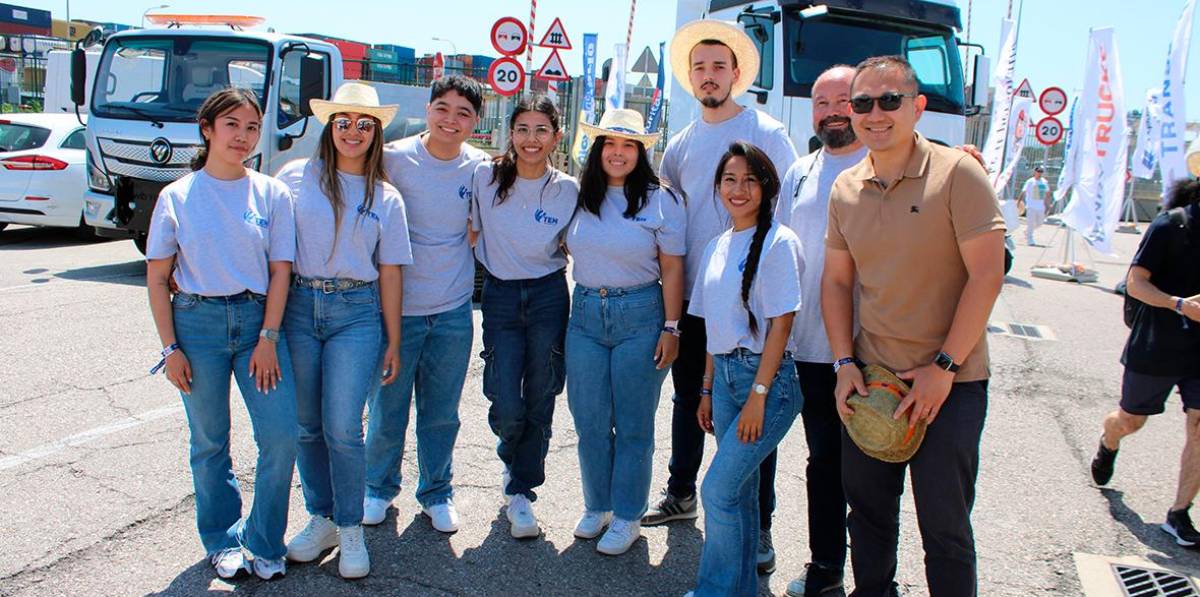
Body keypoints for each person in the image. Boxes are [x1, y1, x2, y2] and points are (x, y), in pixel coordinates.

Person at [822, 56, 1005, 596]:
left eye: (889, 100)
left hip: (951, 384)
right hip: (872, 380)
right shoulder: (845, 188)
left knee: (945, 529)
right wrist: (843, 364)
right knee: (869, 520)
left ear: (917, 107)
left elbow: (988, 275)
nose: (875, 113)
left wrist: (944, 368)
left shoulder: (958, 174)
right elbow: (836, 284)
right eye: (862, 103)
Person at [647, 19, 799, 575]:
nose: (709, 76)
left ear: (737, 74)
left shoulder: (768, 131)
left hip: (752, 309)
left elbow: (784, 209)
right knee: (692, 402)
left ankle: (759, 533)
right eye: (700, 68)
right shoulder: (682, 142)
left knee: (755, 424)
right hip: (694, 300)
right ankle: (682, 494)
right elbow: (666, 214)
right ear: (690, 78)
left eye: (719, 67)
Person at [144, 88, 298, 581]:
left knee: (280, 435)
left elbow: (281, 271)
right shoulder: (179, 196)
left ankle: (265, 541)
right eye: (232, 124)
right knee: (210, 440)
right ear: (207, 129)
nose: (243, 136)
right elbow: (156, 275)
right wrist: (171, 348)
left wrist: (269, 337)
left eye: (252, 127)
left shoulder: (271, 192)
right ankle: (221, 538)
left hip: (258, 324)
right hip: (197, 324)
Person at [276, 82, 412, 579]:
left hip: (357, 311)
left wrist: (393, 338)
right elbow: (270, 251)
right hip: (298, 306)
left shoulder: (387, 196)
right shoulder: (295, 177)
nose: (352, 132)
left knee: (342, 427)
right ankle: (323, 517)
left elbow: (392, 270)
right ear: (328, 127)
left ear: (376, 132)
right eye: (343, 122)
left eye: (363, 124)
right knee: (306, 425)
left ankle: (352, 527)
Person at [364, 75, 490, 533]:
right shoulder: (394, 160)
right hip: (396, 312)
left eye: (463, 113)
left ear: (476, 122)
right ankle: (377, 489)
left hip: (454, 310)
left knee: (441, 414)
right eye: (443, 108)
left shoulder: (479, 168)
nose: (450, 120)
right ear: (429, 108)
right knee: (387, 410)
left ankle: (437, 492)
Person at [564, 108, 686, 555]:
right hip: (585, 315)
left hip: (641, 313)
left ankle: (629, 515)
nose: (618, 153)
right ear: (597, 150)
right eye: (610, 144)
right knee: (590, 419)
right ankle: (599, 506)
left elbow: (673, 268)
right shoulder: (578, 195)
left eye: (628, 145)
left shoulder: (662, 200)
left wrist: (672, 327)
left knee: (633, 424)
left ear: (641, 152)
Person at [686, 141, 804, 597]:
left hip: (767, 383)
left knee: (716, 491)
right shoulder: (717, 245)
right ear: (718, 187)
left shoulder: (779, 242)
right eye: (730, 179)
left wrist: (758, 394)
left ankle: (715, 591)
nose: (739, 189)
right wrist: (707, 389)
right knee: (740, 494)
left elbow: (781, 324)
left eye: (750, 179)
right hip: (728, 381)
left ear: (767, 186)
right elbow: (716, 327)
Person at [774, 64, 864, 597]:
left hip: (865, 348)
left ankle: (876, 576)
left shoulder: (880, 166)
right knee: (822, 464)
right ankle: (826, 566)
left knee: (869, 472)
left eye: (843, 100)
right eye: (820, 101)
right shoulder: (800, 172)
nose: (831, 111)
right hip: (804, 347)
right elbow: (780, 253)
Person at [471, 95, 578, 539]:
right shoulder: (485, 177)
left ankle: (521, 491)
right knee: (506, 400)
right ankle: (511, 453)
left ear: (556, 136)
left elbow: (580, 243)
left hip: (549, 295)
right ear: (509, 134)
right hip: (499, 295)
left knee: (541, 394)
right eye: (522, 130)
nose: (530, 140)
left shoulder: (569, 189)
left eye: (541, 131)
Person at [1091, 178, 1200, 548]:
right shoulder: (1171, 224)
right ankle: (1108, 441)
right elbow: (1135, 283)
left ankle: (1179, 513)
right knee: (1130, 421)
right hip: (1158, 341)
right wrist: (1180, 304)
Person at [1020, 166, 1050, 245]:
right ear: (1035, 172)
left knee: (1040, 223)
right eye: (1038, 171)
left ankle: (1027, 231)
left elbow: (1047, 193)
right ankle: (1030, 239)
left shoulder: (1044, 182)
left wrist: (1048, 204)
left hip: (1040, 206)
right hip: (1031, 206)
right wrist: (1018, 202)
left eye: (1041, 172)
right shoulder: (1030, 181)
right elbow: (1023, 191)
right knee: (1030, 223)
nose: (1039, 173)